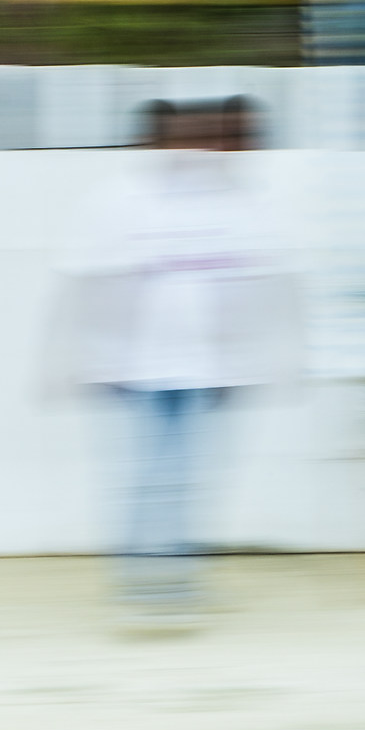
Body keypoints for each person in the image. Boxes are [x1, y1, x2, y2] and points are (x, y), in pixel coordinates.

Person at [54, 98, 300, 623]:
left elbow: (250, 281)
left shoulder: (228, 199)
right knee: (151, 472)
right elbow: (92, 281)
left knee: (187, 473)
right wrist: (95, 359)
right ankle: (146, 578)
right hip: (141, 366)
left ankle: (172, 577)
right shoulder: (123, 199)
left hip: (202, 367)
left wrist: (242, 360)